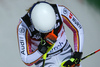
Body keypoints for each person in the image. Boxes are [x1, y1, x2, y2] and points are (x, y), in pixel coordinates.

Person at [17, 1, 84, 67]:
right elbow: (26, 60)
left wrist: (77, 54)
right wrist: (42, 49)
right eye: (43, 32)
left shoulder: (60, 11)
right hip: (44, 60)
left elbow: (78, 29)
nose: (47, 33)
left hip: (66, 52)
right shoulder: (23, 26)